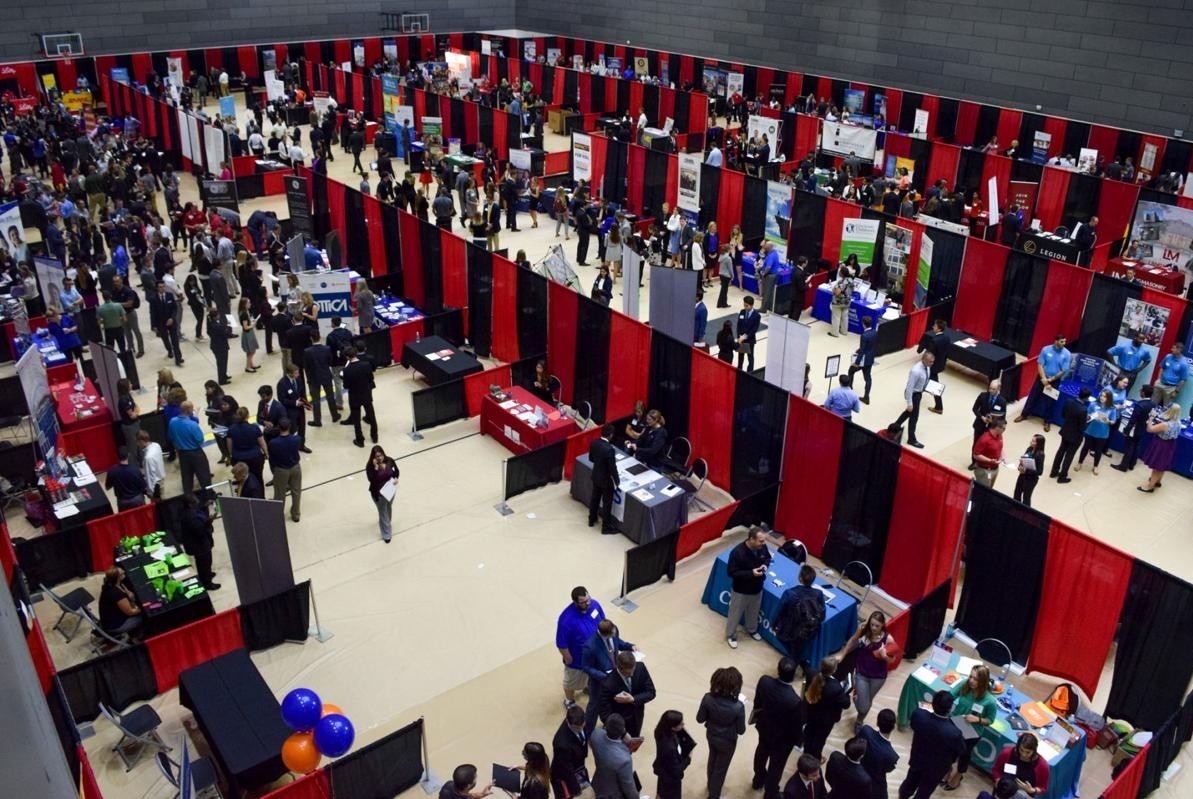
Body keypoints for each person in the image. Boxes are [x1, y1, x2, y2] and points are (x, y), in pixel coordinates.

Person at [751, 656, 805, 799]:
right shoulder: (795, 701)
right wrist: (798, 741)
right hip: (782, 741)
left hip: (764, 728)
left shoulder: (764, 681)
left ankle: (758, 780)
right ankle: (770, 793)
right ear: (793, 676)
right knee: (776, 767)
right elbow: (796, 727)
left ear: (778, 670)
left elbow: (758, 703)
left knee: (761, 754)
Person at [897, 691, 965, 799]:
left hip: (917, 759)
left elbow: (913, 725)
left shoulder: (919, 715)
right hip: (936, 769)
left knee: (909, 783)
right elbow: (960, 750)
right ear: (950, 708)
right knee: (924, 792)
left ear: (932, 703)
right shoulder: (954, 733)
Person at [941, 664, 998, 790]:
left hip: (972, 732)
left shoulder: (990, 701)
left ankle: (959, 774)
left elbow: (990, 720)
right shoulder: (964, 685)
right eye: (970, 677)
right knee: (949, 749)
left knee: (964, 754)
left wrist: (977, 719)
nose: (971, 681)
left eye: (976, 679)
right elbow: (950, 696)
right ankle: (948, 768)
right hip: (955, 723)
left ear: (983, 681)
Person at [697, 666, 747, 799]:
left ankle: (710, 785)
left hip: (711, 735)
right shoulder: (738, 706)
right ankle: (714, 795)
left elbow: (700, 719)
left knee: (712, 760)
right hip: (728, 741)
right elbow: (741, 730)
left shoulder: (707, 698)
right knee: (721, 768)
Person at [845, 611, 898, 731]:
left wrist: (884, 656)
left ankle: (859, 722)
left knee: (868, 701)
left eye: (877, 626)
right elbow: (853, 640)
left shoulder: (888, 639)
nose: (873, 628)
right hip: (862, 673)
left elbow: (892, 659)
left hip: (878, 677)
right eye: (872, 624)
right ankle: (855, 697)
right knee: (863, 706)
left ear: (883, 625)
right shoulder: (864, 631)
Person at [556, 586, 605, 708]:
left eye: (588, 599)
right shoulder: (566, 620)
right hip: (577, 659)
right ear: (575, 602)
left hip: (595, 653)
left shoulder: (595, 605)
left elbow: (603, 622)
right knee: (571, 681)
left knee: (591, 675)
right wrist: (568, 659)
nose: (588, 603)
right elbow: (561, 643)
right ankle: (569, 700)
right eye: (583, 602)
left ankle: (587, 687)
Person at [724, 526, 771, 648]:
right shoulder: (737, 552)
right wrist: (751, 573)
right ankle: (731, 635)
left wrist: (765, 566)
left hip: (757, 588)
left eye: (764, 540)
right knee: (735, 614)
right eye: (761, 541)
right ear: (751, 539)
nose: (764, 543)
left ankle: (751, 629)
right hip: (741, 591)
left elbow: (767, 558)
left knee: (754, 612)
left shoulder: (762, 547)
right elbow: (731, 572)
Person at [1014, 334, 1072, 432]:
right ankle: (1024, 415)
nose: (1064, 344)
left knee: (1050, 401)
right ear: (1056, 341)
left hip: (1054, 381)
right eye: (1062, 341)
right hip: (1041, 378)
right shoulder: (1046, 349)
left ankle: (1047, 421)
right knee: (1033, 396)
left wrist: (1050, 380)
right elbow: (1040, 364)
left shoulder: (1067, 354)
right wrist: (1044, 378)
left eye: (1065, 342)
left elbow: (1063, 371)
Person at [775, 564, 825, 672]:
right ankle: (798, 659)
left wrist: (773, 624)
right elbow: (823, 614)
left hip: (791, 629)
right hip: (809, 630)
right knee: (798, 646)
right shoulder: (819, 594)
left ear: (800, 578)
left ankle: (792, 666)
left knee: (791, 647)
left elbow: (779, 612)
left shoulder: (789, 593)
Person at [599, 650, 656, 737]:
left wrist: (633, 699)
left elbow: (651, 692)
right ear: (619, 668)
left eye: (633, 670)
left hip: (637, 717)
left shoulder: (640, 668)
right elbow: (604, 713)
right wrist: (621, 732)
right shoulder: (608, 683)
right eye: (628, 673)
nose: (632, 674)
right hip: (620, 723)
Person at [802, 657, 850, 760]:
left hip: (811, 712)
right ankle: (815, 758)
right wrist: (847, 694)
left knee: (809, 733)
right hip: (825, 719)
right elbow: (846, 704)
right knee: (819, 740)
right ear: (834, 670)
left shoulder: (812, 673)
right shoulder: (836, 688)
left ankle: (805, 754)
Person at [590, 714, 639, 799]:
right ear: (623, 730)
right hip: (613, 794)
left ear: (605, 727)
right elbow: (629, 786)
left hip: (597, 783)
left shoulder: (595, 735)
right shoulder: (624, 760)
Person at [169, 402, 212, 497]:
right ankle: (208, 496)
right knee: (204, 475)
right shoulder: (192, 425)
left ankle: (189, 498)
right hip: (195, 453)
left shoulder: (172, 422)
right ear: (188, 410)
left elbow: (171, 437)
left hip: (182, 453)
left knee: (186, 477)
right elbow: (200, 440)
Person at [178, 493, 219, 590]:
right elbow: (199, 531)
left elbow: (199, 512)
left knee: (205, 563)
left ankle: (207, 574)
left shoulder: (189, 510)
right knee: (204, 563)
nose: (197, 503)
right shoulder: (190, 516)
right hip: (198, 545)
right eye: (195, 502)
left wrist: (205, 506)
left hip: (199, 543)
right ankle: (207, 583)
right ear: (190, 504)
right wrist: (210, 521)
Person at [1138, 403, 1183, 493]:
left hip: (1161, 445)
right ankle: (1158, 481)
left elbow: (1149, 429)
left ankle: (1150, 487)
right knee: (1163, 465)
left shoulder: (1165, 424)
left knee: (1156, 467)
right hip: (1170, 445)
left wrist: (1151, 417)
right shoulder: (1178, 422)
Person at [340, 346, 378, 447]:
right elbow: (371, 378)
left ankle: (360, 440)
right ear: (356, 353)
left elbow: (346, 386)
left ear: (347, 357)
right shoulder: (366, 365)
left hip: (354, 396)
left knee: (356, 420)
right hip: (366, 394)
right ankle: (374, 436)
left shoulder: (346, 370)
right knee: (371, 415)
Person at [893, 352, 933, 449]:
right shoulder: (915, 371)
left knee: (908, 413)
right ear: (924, 360)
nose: (932, 363)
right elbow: (910, 387)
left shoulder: (927, 367)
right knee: (914, 417)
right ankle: (911, 438)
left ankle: (894, 428)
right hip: (914, 394)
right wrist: (909, 403)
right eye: (930, 362)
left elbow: (925, 380)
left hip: (919, 393)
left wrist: (929, 389)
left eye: (932, 362)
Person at [652, 709, 695, 799]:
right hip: (670, 779)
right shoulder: (669, 748)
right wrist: (689, 758)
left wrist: (681, 728)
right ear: (672, 727)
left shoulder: (659, 731)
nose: (683, 724)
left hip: (662, 770)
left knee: (661, 792)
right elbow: (676, 771)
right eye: (680, 723)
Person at [550, 705, 590, 799]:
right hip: (563, 774)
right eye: (576, 728)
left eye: (582, 726)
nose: (580, 729)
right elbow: (567, 770)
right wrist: (577, 790)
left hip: (578, 764)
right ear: (567, 721)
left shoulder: (581, 720)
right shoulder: (561, 743)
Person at [1050, 388, 1089, 483]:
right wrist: (1087, 420)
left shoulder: (1068, 401)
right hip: (1075, 436)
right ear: (1087, 398)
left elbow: (1063, 414)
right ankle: (1062, 476)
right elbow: (1082, 427)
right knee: (1069, 456)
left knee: (1061, 451)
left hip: (1065, 431)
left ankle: (1054, 472)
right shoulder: (1083, 410)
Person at [1114, 384, 1157, 472]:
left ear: (1143, 393)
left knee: (1129, 448)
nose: (1140, 392)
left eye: (1141, 391)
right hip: (1143, 429)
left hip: (1135, 429)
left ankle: (1123, 466)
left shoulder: (1140, 405)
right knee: (1137, 447)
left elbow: (1133, 420)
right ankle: (1131, 465)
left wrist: (1126, 430)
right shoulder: (1153, 404)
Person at [1075, 388, 1117, 475]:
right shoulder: (1094, 404)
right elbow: (1087, 414)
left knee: (1098, 450)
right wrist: (1092, 416)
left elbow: (1113, 421)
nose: (1102, 397)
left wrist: (1108, 421)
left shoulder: (1112, 408)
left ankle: (1095, 466)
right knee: (1085, 448)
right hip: (1091, 430)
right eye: (1101, 395)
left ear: (1109, 398)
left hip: (1102, 433)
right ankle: (1079, 463)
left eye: (1105, 396)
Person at [587, 424, 621, 533]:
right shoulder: (609, 449)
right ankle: (606, 527)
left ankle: (591, 519)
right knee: (607, 503)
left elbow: (591, 459)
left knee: (595, 498)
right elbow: (612, 468)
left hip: (596, 476)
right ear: (611, 435)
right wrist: (617, 481)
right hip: (606, 481)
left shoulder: (594, 442)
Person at [859, 710, 900, 799]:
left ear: (877, 723)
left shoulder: (865, 730)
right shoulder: (892, 756)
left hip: (859, 771)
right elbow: (887, 770)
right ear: (893, 727)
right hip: (874, 784)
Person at [304, 332, 340, 425]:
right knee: (330, 396)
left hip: (313, 378)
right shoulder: (327, 349)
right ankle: (335, 416)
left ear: (311, 338)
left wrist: (308, 379)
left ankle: (317, 420)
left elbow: (306, 367)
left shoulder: (307, 351)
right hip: (326, 375)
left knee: (316, 400)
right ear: (319, 337)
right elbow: (330, 362)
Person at [366, 445, 399, 543]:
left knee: (388, 508)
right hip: (379, 495)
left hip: (390, 491)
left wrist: (396, 478)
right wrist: (376, 468)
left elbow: (396, 471)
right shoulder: (370, 467)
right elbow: (372, 480)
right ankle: (387, 535)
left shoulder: (389, 461)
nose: (379, 458)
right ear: (373, 458)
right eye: (377, 456)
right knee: (383, 512)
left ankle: (385, 523)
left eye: (380, 455)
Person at [98, 567, 143, 638]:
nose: (124, 572)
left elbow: (130, 596)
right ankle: (140, 635)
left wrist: (130, 596)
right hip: (116, 626)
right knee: (145, 617)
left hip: (111, 619)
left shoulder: (112, 584)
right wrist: (144, 609)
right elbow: (130, 612)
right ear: (118, 577)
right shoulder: (116, 593)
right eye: (123, 573)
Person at [149, 279, 183, 366]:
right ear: (157, 288)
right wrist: (153, 326)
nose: (162, 288)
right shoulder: (153, 299)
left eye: (163, 286)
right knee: (165, 339)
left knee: (175, 340)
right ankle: (169, 350)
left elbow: (174, 308)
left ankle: (178, 358)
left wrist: (172, 318)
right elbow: (152, 313)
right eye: (160, 287)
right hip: (161, 323)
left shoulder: (170, 295)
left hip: (171, 322)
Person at [918, 319, 949, 412]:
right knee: (927, 382)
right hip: (940, 365)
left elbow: (929, 355)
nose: (933, 327)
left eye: (935, 326)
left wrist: (924, 365)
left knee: (932, 385)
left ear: (939, 329)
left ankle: (939, 407)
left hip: (931, 367)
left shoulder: (934, 340)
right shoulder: (947, 338)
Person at [971, 379, 1007, 451]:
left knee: (987, 446)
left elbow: (1002, 418)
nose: (991, 391)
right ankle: (974, 461)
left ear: (999, 389)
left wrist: (992, 421)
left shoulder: (1002, 401)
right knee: (976, 443)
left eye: (993, 389)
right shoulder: (982, 395)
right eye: (990, 388)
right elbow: (974, 409)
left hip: (992, 428)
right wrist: (981, 417)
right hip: (979, 425)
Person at [849, 316, 877, 404]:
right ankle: (866, 397)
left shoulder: (864, 336)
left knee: (851, 370)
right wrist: (860, 349)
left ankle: (849, 389)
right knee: (868, 378)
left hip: (863, 360)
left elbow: (862, 352)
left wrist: (856, 363)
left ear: (864, 324)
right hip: (870, 358)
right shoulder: (875, 332)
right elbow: (870, 345)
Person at [1013, 434, 1047, 506]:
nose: (1031, 442)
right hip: (1022, 475)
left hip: (1031, 480)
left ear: (1039, 443)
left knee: (1026, 497)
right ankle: (1015, 508)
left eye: (1033, 441)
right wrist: (1020, 466)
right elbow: (1024, 459)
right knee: (1017, 493)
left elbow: (1040, 472)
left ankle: (1026, 513)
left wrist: (1026, 471)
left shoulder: (1040, 455)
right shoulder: (1029, 449)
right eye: (1032, 440)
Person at [972, 418, 1006, 487]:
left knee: (990, 489)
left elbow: (1000, 447)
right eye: (1004, 428)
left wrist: (1003, 456)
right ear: (997, 428)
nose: (1004, 430)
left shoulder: (999, 435)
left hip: (995, 468)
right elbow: (975, 455)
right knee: (983, 491)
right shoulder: (984, 439)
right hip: (985, 471)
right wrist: (990, 461)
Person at [736, 295, 761, 371]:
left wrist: (745, 337)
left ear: (752, 305)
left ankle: (750, 372)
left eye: (747, 306)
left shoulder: (757, 316)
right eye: (744, 305)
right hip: (741, 340)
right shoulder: (742, 312)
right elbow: (738, 325)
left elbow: (754, 330)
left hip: (749, 340)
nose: (745, 307)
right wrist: (739, 336)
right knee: (740, 357)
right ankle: (739, 370)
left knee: (750, 357)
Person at [828, 268, 854, 337]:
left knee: (836, 317)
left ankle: (834, 333)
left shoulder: (841, 282)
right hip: (847, 302)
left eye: (840, 271)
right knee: (845, 317)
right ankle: (844, 331)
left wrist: (833, 289)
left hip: (838, 302)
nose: (839, 272)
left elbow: (837, 292)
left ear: (842, 273)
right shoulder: (851, 280)